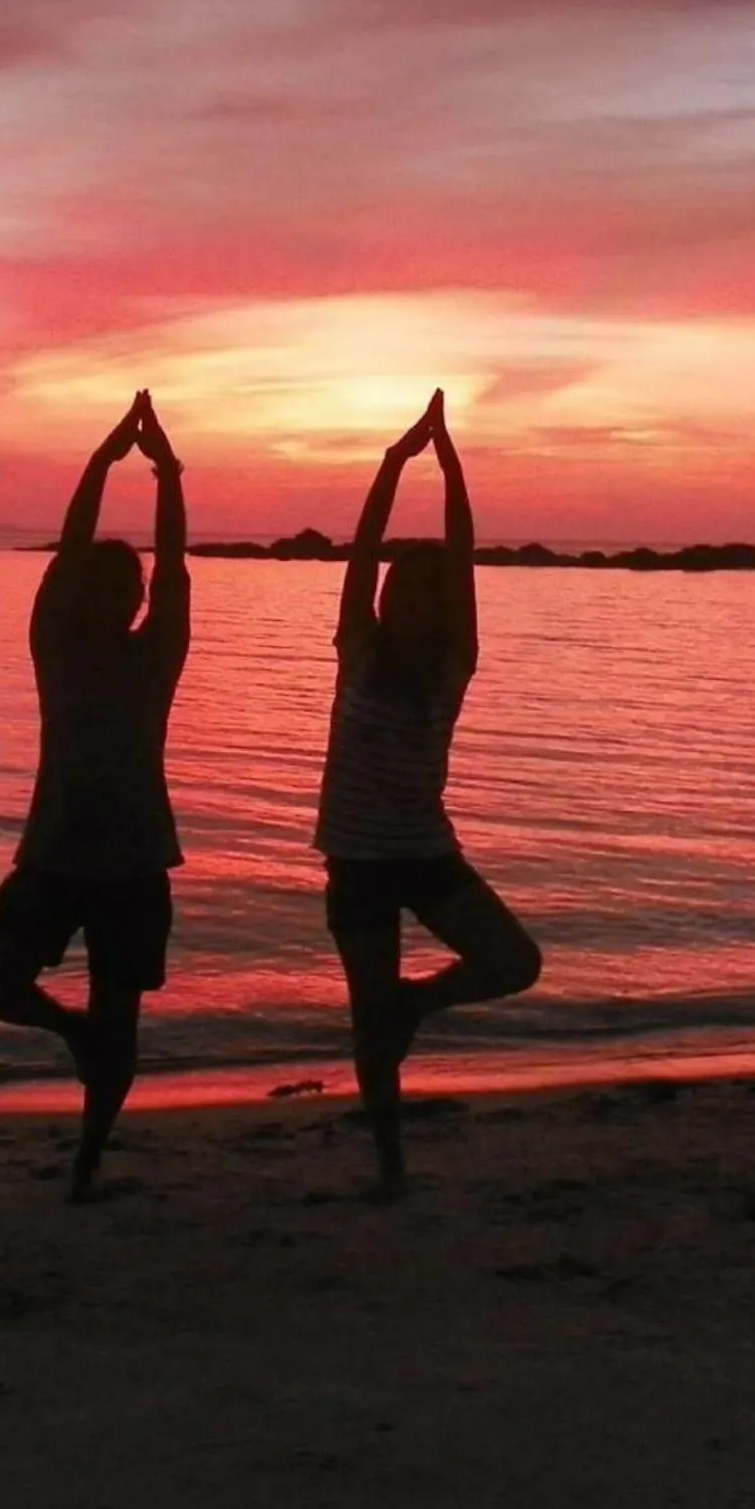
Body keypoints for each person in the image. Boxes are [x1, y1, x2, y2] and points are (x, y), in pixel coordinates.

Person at [315, 389, 542, 1200]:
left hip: (425, 851)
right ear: (385, 599)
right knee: (368, 1024)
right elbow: (363, 548)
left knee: (515, 962)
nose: (410, 600)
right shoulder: (359, 648)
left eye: (426, 593)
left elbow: (464, 553)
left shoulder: (453, 664)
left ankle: (417, 1004)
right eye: (401, 590)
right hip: (358, 863)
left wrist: (448, 463)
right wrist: (392, 461)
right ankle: (390, 1164)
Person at [0, 390, 190, 1200]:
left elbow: (174, 566)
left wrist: (168, 474)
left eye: (123, 588)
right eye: (101, 586)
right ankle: (73, 1033)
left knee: (122, 1015)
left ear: (134, 601)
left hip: (133, 864)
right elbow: (65, 558)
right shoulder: (56, 648)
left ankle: (89, 1161)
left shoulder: (156, 652)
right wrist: (101, 462)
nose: (115, 597)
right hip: (55, 855)